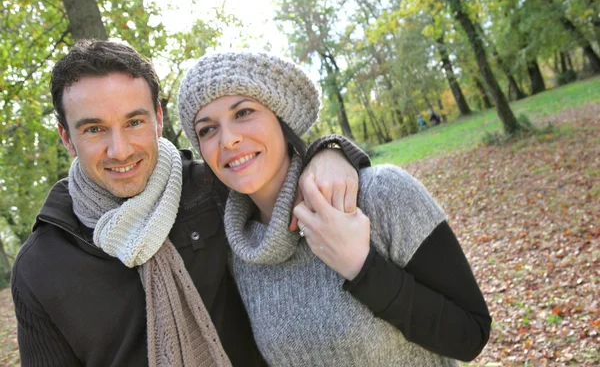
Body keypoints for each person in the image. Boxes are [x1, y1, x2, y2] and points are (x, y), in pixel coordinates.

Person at [10, 40, 369, 367]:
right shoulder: (41, 266)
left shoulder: (214, 188)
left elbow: (280, 164)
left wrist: (333, 151)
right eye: (94, 129)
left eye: (134, 122)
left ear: (158, 119)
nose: (120, 150)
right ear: (66, 138)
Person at [177, 52, 492, 366]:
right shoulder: (239, 251)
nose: (228, 139)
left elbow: (471, 335)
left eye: (243, 112)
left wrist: (362, 267)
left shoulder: (381, 195)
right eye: (207, 129)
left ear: (279, 117)